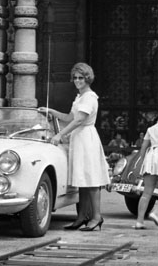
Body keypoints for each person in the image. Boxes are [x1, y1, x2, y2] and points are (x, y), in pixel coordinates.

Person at [39, 63, 110, 231]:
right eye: (75, 78)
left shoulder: (89, 97)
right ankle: (82, 216)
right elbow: (69, 117)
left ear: (88, 79)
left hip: (87, 139)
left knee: (91, 179)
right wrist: (51, 111)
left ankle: (96, 217)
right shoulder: (79, 97)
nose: (77, 81)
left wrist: (59, 135)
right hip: (79, 139)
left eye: (81, 78)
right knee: (82, 180)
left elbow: (79, 120)